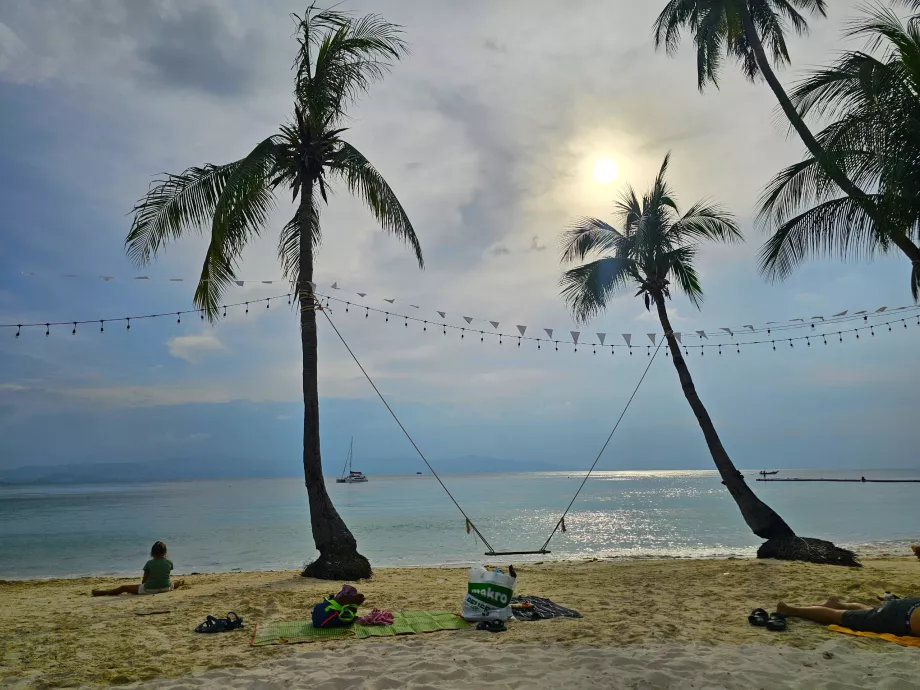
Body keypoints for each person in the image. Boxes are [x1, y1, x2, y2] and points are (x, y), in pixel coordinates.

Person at [777, 596, 920, 637]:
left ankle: (839, 604)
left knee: (871, 612)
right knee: (836, 616)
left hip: (911, 604)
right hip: (900, 617)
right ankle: (790, 610)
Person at [92, 541, 184, 596]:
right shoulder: (169, 562)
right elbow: (165, 574)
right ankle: (181, 581)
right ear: (165, 552)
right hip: (166, 588)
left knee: (124, 587)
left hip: (150, 589)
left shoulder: (149, 563)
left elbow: (144, 581)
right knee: (174, 582)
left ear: (152, 553)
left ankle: (104, 592)